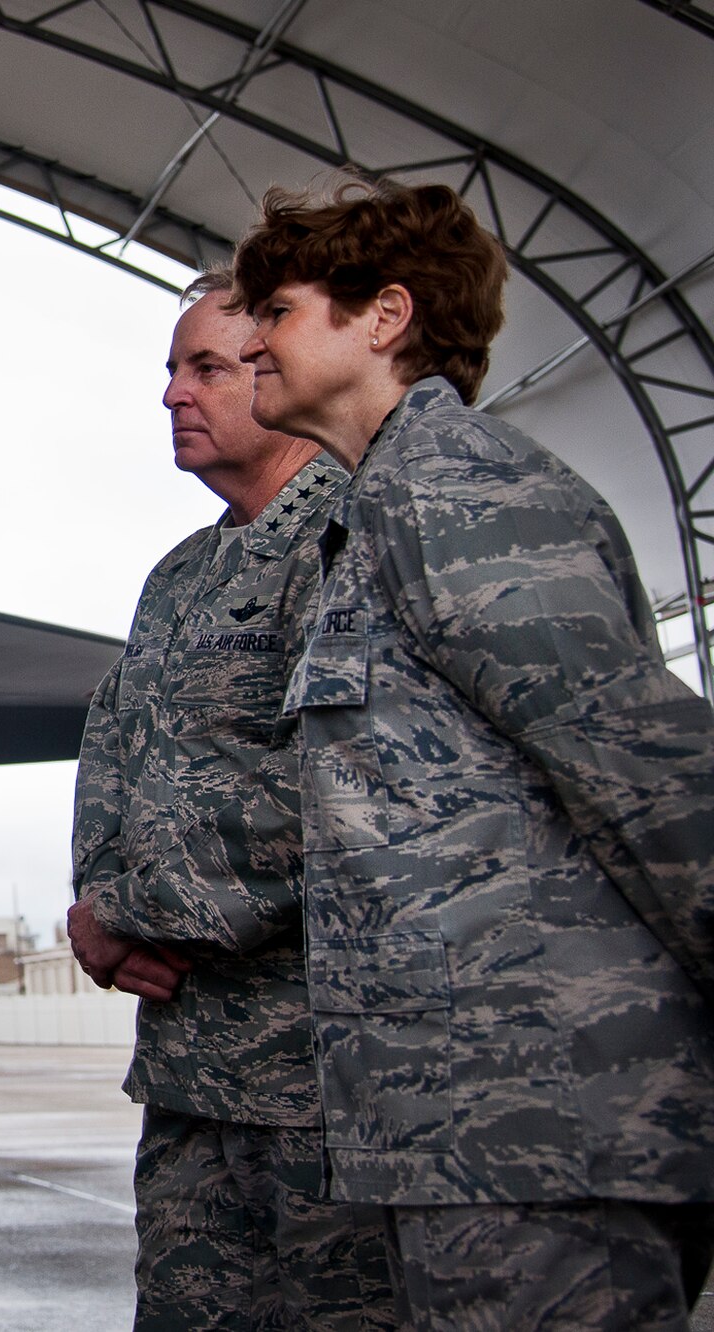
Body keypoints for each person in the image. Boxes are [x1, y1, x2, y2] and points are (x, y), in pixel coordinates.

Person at [229, 178, 714, 1330]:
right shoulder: (380, 508)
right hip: (466, 1131)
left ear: (383, 317)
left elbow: (643, 766)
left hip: (545, 1123)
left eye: (279, 309)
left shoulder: (454, 493)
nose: (250, 340)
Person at [68, 273, 394, 1330]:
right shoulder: (177, 577)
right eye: (168, 369)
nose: (171, 394)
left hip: (326, 1090)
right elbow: (113, 755)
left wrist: (131, 913)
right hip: (189, 1079)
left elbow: (332, 788)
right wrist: (91, 913)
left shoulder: (352, 536)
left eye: (203, 367)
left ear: (277, 371)